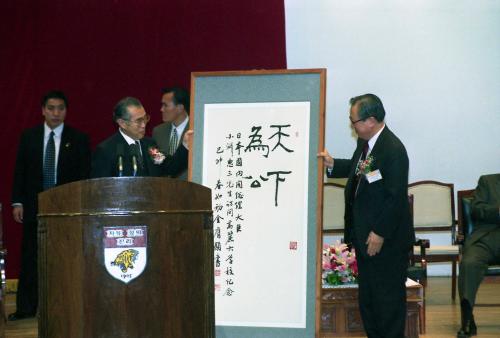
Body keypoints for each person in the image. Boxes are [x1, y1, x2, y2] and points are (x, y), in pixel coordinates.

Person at [318, 94, 414, 338]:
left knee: (388, 305)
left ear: (371, 120)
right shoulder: (369, 146)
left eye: (354, 121)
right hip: (366, 240)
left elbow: (396, 198)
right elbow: (359, 172)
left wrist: (380, 232)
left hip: (385, 243)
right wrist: (331, 163)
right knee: (370, 304)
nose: (353, 126)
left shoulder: (392, 149)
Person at [10, 90, 90, 320]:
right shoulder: (29, 137)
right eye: (51, 108)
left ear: (66, 111)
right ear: (43, 110)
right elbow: (20, 172)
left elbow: (84, 176)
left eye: (61, 108)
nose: (56, 113)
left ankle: (67, 307)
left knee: (67, 259)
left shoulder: (78, 139)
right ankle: (26, 309)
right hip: (34, 207)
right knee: (30, 258)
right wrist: (17, 202)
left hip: (66, 208)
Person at [91, 97, 188, 178]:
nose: (143, 125)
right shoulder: (106, 150)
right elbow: (101, 189)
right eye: (138, 121)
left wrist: (185, 145)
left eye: (145, 118)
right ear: (122, 123)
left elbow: (170, 167)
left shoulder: (149, 145)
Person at [457, 173, 500, 338]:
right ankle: (467, 321)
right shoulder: (487, 181)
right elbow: (476, 209)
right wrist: (497, 211)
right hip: (485, 239)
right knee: (469, 263)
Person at [152, 87, 189, 180]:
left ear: (180, 108)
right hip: (164, 188)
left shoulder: (196, 130)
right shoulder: (158, 132)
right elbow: (157, 162)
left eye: (165, 105)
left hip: (191, 187)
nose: (161, 109)